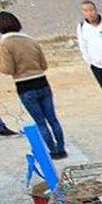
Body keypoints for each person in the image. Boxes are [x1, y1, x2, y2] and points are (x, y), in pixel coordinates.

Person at [0, 11, 66, 158]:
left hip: (25, 85)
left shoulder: (5, 44)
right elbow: (44, 65)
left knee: (40, 122)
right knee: (52, 119)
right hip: (42, 82)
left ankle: (53, 151)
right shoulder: (30, 40)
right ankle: (61, 148)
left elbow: (8, 69)